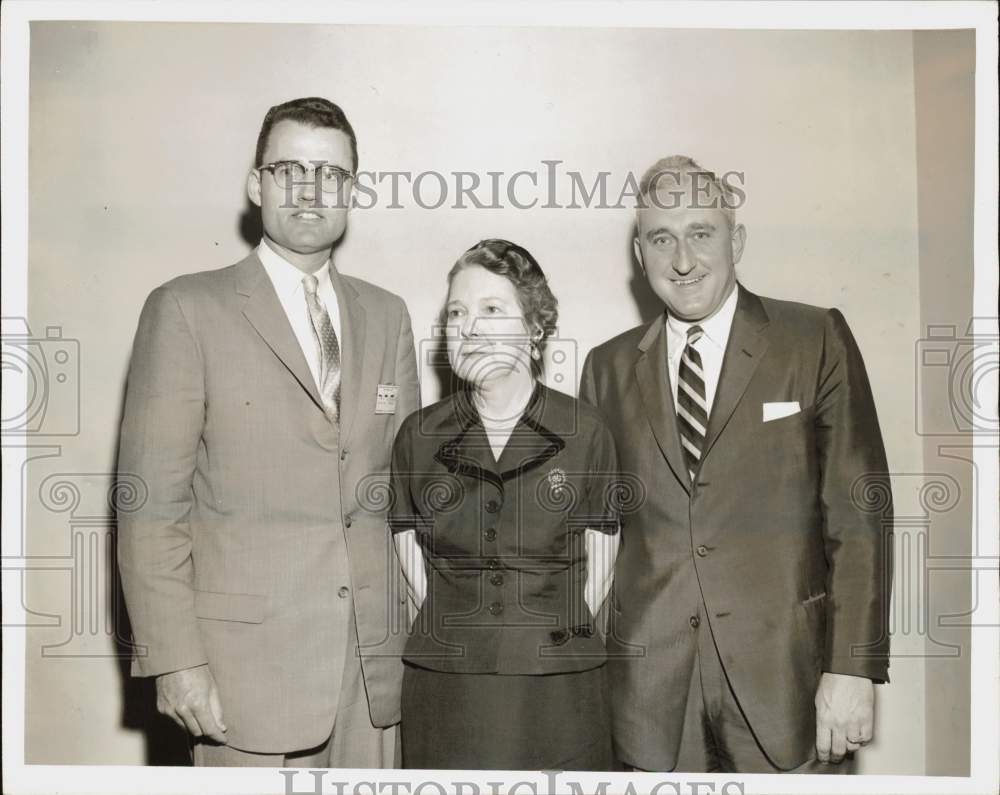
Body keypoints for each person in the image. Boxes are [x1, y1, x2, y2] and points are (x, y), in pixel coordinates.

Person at [117, 97, 419, 767]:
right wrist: (176, 659)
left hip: (371, 676)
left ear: (352, 190)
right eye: (290, 169)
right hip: (242, 679)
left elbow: (407, 498)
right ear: (257, 185)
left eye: (331, 174)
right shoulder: (186, 309)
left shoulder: (388, 315)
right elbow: (149, 506)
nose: (311, 190)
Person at [579, 156, 892, 773]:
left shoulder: (814, 338)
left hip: (788, 685)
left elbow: (859, 517)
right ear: (640, 255)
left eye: (701, 233)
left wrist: (853, 667)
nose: (683, 259)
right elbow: (592, 537)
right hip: (648, 699)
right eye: (661, 239)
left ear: (736, 239)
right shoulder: (606, 368)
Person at [388, 239, 621, 770]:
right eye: (456, 313)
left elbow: (600, 564)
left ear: (535, 328)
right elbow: (412, 564)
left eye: (491, 310)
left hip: (559, 686)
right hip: (448, 685)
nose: (468, 328)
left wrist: (539, 631)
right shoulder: (417, 436)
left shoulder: (586, 431)